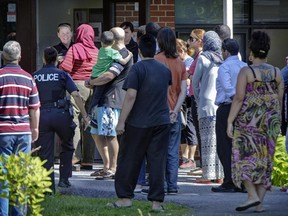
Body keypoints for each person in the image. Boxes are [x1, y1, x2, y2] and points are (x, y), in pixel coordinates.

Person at [111, 33, 171, 211]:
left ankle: (125, 198)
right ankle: (156, 202)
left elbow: (130, 96)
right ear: (155, 49)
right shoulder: (164, 70)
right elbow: (165, 93)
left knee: (129, 160)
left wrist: (121, 122)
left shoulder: (136, 69)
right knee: (157, 162)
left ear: (140, 49)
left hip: (138, 122)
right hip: (161, 120)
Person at [227, 31, 284, 212]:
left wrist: (230, 121)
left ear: (251, 50)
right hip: (271, 121)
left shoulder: (247, 71)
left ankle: (251, 195)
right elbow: (279, 100)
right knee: (265, 159)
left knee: (243, 156)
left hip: (249, 122)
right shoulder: (277, 73)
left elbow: (238, 98)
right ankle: (259, 202)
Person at [33, 47, 90, 191]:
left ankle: (47, 186)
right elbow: (76, 95)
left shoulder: (35, 75)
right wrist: (84, 115)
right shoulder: (62, 74)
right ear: (57, 60)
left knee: (45, 151)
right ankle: (64, 180)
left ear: (44, 59)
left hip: (42, 115)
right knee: (67, 145)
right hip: (61, 114)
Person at [87, 27, 133, 179]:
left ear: (112, 38)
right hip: (100, 99)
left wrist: (91, 82)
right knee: (96, 133)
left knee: (110, 134)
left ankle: (113, 168)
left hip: (110, 99)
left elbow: (109, 76)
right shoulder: (108, 52)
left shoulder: (123, 54)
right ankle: (106, 165)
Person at [0, 41, 40, 216]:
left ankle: (3, 212)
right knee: (22, 175)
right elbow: (35, 108)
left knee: (3, 174)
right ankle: (19, 213)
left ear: (3, 56)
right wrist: (35, 129)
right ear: (20, 57)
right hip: (23, 132)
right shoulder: (28, 78)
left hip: (3, 132)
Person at [150, 27, 186, 194]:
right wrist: (175, 110)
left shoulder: (156, 60)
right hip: (174, 113)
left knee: (158, 151)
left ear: (160, 41)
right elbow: (184, 91)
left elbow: (155, 88)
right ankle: (173, 185)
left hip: (158, 112)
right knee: (173, 151)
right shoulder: (180, 63)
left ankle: (160, 185)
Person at [59, 24, 98, 169]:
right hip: (93, 87)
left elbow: (65, 68)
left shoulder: (75, 49)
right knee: (89, 122)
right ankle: (88, 160)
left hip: (76, 87)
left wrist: (60, 63)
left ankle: (74, 158)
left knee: (73, 121)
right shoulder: (96, 51)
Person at [212, 38, 247, 193]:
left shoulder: (224, 67)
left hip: (227, 108)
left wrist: (237, 104)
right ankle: (241, 181)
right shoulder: (244, 65)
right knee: (240, 146)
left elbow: (229, 90)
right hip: (244, 108)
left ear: (225, 51)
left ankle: (229, 181)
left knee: (224, 146)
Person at [192, 31, 224, 183]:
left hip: (206, 103)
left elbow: (195, 82)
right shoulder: (223, 58)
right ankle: (220, 176)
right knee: (219, 141)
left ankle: (208, 175)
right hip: (221, 104)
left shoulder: (204, 57)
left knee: (207, 141)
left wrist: (198, 100)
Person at [186, 29, 205, 175]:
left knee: (200, 131)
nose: (189, 41)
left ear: (199, 41)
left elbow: (193, 75)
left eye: (192, 39)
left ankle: (204, 165)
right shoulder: (198, 56)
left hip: (198, 97)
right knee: (198, 131)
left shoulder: (201, 56)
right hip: (195, 96)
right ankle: (204, 165)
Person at [175, 38, 197, 169]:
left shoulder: (189, 61)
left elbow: (189, 81)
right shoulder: (179, 62)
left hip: (188, 98)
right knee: (182, 128)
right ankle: (184, 157)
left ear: (181, 50)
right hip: (180, 99)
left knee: (189, 126)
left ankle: (192, 158)